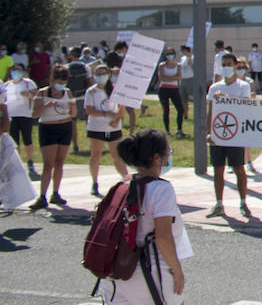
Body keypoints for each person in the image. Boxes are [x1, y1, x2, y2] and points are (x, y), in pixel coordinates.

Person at [97, 129, 190, 305]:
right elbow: (163, 236)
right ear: (156, 158)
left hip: (115, 272)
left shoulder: (123, 184)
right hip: (151, 272)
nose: (170, 156)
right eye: (168, 151)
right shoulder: (161, 189)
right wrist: (177, 271)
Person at [205, 55, 252, 218]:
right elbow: (210, 111)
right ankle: (219, 204)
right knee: (218, 169)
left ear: (235, 66)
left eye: (229, 64)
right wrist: (208, 132)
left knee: (239, 168)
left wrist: (228, 100)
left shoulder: (243, 86)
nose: (226, 67)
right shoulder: (214, 87)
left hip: (235, 133)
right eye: (223, 64)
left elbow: (245, 108)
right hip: (219, 133)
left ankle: (243, 202)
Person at [29, 64, 75, 209]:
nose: (61, 85)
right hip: (48, 128)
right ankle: (42, 196)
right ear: (52, 80)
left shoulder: (67, 92)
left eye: (63, 82)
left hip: (65, 127)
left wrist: (72, 106)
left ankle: (56, 193)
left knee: (60, 162)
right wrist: (46, 106)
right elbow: (34, 114)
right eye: (58, 82)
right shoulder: (42, 93)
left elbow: (73, 114)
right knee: (48, 164)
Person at [83, 62, 129, 197]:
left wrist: (117, 119)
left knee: (117, 156)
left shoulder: (115, 88)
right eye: (98, 74)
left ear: (108, 75)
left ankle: (127, 181)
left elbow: (122, 107)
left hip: (113, 128)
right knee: (95, 155)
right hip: (96, 128)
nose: (101, 76)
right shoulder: (91, 91)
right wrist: (107, 114)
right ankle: (94, 182)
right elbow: (89, 110)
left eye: (104, 73)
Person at [4, 61, 39, 179]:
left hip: (25, 115)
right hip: (11, 115)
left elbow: (36, 96)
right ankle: (18, 164)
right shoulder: (7, 85)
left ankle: (30, 163)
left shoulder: (28, 83)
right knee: (15, 141)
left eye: (19, 70)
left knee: (27, 139)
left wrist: (28, 95)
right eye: (14, 70)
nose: (16, 72)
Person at [155, 50, 185, 139]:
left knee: (180, 109)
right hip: (163, 89)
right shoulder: (162, 65)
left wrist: (168, 78)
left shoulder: (178, 65)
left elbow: (179, 77)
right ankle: (167, 130)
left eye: (171, 54)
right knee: (166, 110)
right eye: (168, 54)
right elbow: (161, 78)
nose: (170, 56)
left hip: (174, 89)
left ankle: (179, 129)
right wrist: (172, 78)